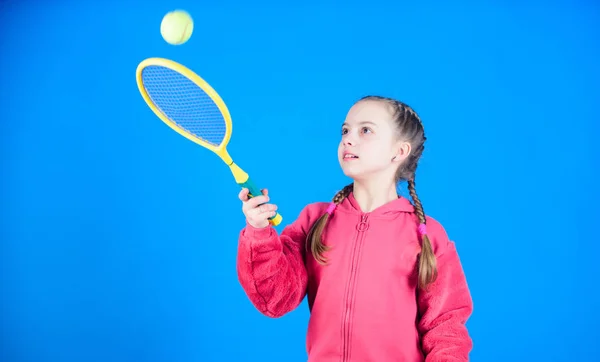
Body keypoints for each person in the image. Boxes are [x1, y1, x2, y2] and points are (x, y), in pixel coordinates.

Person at [236, 95, 473, 362]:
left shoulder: (427, 235)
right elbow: (275, 298)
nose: (348, 139)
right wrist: (259, 232)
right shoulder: (314, 220)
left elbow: (446, 327)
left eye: (366, 130)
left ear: (399, 151)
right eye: (345, 130)